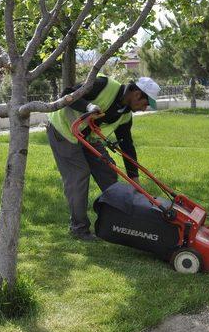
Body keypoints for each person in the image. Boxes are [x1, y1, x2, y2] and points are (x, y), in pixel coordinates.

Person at [47, 74, 160, 241]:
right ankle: (79, 228)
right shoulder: (104, 84)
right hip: (63, 131)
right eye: (145, 104)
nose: (145, 109)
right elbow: (68, 94)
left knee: (107, 171)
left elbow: (127, 146)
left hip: (87, 137)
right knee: (79, 175)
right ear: (137, 94)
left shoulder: (125, 115)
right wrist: (89, 106)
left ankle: (121, 220)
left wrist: (134, 177)